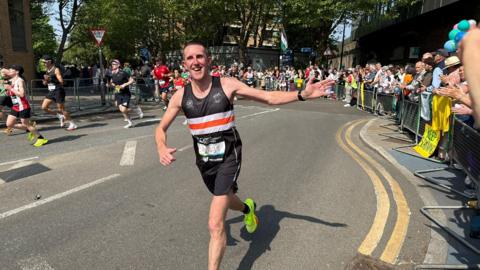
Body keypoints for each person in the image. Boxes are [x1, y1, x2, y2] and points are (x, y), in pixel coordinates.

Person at [155, 41, 334, 270]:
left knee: (214, 223)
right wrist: (161, 147)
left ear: (208, 60)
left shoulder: (227, 85)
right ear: (184, 65)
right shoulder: (180, 97)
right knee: (227, 199)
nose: (195, 61)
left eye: (200, 56)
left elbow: (268, 97)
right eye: (190, 58)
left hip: (229, 157)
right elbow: (160, 129)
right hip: (205, 162)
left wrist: (302, 95)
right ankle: (248, 209)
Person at [5, 65, 48, 147]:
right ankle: (31, 129)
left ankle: (41, 139)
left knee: (26, 124)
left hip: (23, 106)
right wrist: (8, 91)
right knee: (9, 124)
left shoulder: (20, 81)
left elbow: (22, 94)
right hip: (15, 106)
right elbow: (11, 93)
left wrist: (10, 89)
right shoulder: (10, 81)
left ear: (17, 72)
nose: (9, 71)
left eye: (11, 70)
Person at [40, 55, 77, 131]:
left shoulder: (56, 69)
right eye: (43, 62)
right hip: (51, 91)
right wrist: (45, 81)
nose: (44, 63)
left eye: (44, 62)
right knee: (44, 107)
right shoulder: (47, 70)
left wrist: (50, 78)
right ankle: (60, 116)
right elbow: (46, 83)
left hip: (58, 90)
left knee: (61, 109)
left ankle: (72, 123)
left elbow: (61, 81)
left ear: (49, 61)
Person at [110, 59, 143, 128]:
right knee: (121, 108)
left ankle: (136, 109)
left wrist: (124, 84)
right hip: (117, 93)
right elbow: (112, 81)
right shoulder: (112, 73)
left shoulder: (123, 73)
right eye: (112, 64)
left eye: (114, 64)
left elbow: (132, 80)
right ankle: (130, 122)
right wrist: (113, 85)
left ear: (118, 65)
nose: (112, 65)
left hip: (125, 93)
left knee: (124, 109)